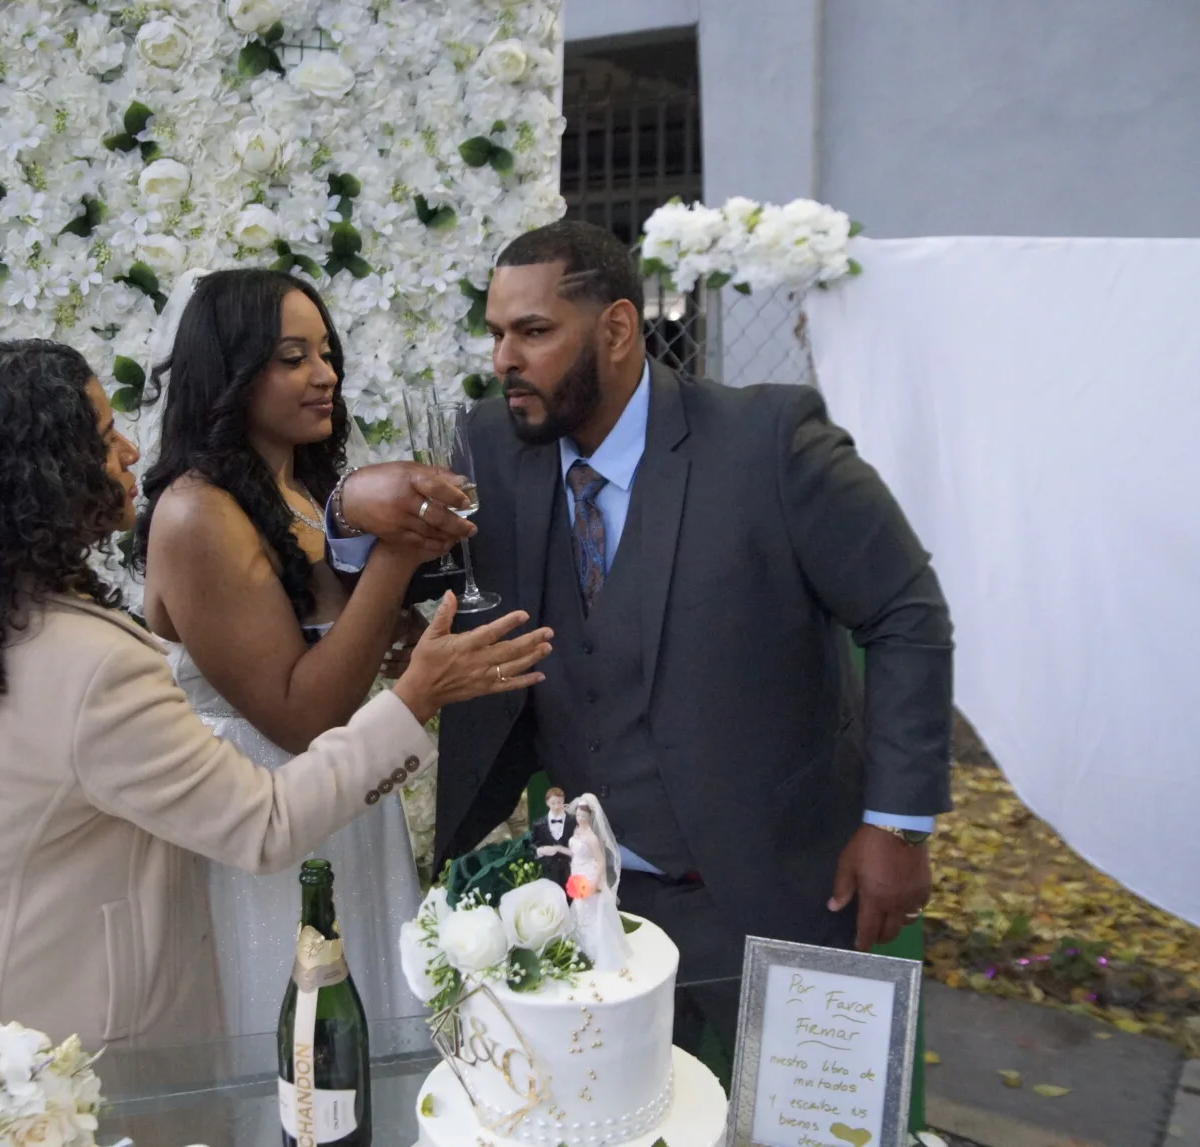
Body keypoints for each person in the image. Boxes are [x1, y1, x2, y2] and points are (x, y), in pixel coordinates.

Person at [0, 339, 551, 1079]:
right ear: (41, 476)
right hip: (13, 1019)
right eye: (105, 438)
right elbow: (264, 824)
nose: (131, 449)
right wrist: (413, 697)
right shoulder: (92, 664)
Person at [331, 219, 952, 982]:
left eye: (533, 331)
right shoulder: (489, 447)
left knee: (779, 1107)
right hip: (584, 909)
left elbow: (906, 612)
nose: (504, 360)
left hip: (779, 889)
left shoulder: (771, 442)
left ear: (618, 328)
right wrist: (350, 507)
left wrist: (897, 823)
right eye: (496, 334)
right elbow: (407, 575)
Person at [133, 269, 480, 1034]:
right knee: (303, 1048)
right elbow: (302, 714)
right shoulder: (197, 513)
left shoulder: (295, 489)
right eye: (292, 357)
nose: (324, 374)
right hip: (265, 824)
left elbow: (343, 654)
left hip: (344, 801)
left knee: (373, 1031)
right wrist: (395, 553)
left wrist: (409, 635)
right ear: (230, 372)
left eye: (325, 353)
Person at [565, 796, 633, 973]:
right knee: (578, 908)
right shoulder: (576, 832)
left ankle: (596, 950)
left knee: (590, 910)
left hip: (588, 873)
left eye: (583, 816)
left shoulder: (592, 838)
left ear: (589, 818)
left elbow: (601, 861)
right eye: (578, 815)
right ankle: (578, 943)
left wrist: (594, 880)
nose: (580, 818)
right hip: (577, 870)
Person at [532, 785, 576, 889]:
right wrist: (540, 851)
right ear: (547, 803)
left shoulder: (573, 821)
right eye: (553, 803)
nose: (556, 806)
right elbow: (531, 845)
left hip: (570, 869)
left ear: (563, 801)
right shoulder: (538, 824)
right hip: (548, 870)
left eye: (559, 802)